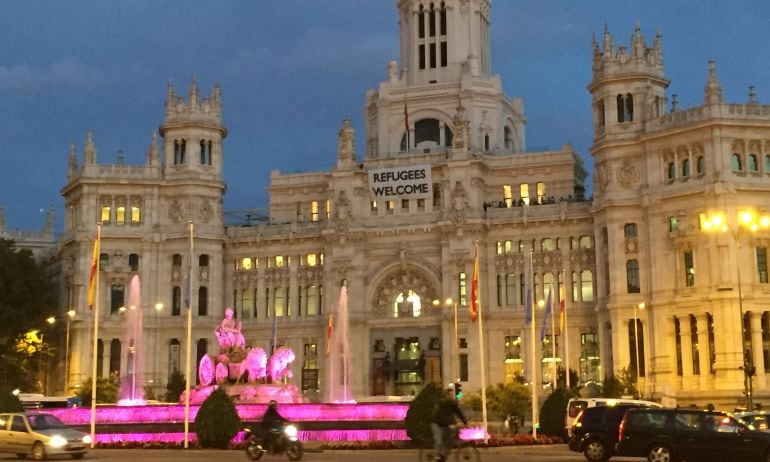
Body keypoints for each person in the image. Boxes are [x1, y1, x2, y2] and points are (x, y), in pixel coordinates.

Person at [431, 387, 468, 462]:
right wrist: (449, 424)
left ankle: (443, 457)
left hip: (446, 424)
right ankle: (438, 456)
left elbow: (459, 412)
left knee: (450, 442)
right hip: (437, 423)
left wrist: (465, 422)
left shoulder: (453, 403)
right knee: (439, 440)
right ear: (446, 396)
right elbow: (442, 415)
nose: (452, 396)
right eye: (450, 395)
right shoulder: (442, 404)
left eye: (452, 394)